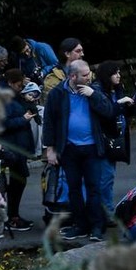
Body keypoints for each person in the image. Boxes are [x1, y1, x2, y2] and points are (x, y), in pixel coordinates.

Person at [41, 58, 115, 242]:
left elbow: (109, 112)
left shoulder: (94, 90)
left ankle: (97, 226)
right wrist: (49, 148)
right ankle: (80, 225)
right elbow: (49, 121)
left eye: (89, 73)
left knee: (94, 188)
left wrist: (93, 95)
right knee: (73, 189)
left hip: (91, 147)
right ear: (72, 76)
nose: (88, 77)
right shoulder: (58, 93)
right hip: (69, 148)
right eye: (84, 75)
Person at [0, 69, 39, 232]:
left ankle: (12, 215)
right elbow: (2, 123)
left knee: (18, 181)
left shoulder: (14, 95)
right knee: (16, 181)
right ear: (10, 83)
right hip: (11, 146)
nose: (22, 87)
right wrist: (23, 119)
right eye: (19, 85)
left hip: (18, 145)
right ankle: (12, 217)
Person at [93, 61, 134, 217]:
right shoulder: (99, 91)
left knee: (108, 176)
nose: (119, 76)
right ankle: (107, 212)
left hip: (117, 138)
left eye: (119, 72)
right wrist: (119, 103)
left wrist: (129, 106)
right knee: (105, 177)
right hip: (105, 139)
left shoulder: (117, 90)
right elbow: (107, 112)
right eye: (115, 73)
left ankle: (107, 210)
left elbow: (122, 113)